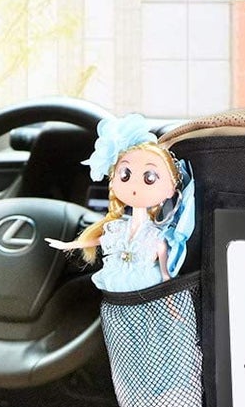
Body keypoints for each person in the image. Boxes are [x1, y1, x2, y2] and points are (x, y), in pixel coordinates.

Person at [49, 113, 195, 291]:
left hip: (147, 285)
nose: (134, 185)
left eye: (149, 177)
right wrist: (70, 245)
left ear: (171, 189)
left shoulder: (155, 237)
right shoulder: (118, 229)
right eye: (125, 175)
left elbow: (165, 274)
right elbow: (100, 240)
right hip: (117, 285)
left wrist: (170, 295)